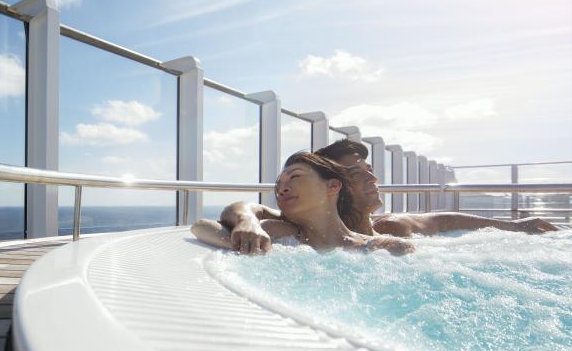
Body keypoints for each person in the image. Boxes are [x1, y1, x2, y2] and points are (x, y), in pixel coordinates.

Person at [192, 139, 558, 254]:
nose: (372, 178)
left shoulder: (390, 229)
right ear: (335, 186)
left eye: (369, 170)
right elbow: (243, 211)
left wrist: (515, 226)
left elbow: (445, 220)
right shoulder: (295, 229)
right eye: (356, 174)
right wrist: (246, 222)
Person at [259, 151, 411, 254]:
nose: (282, 189)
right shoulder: (269, 233)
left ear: (333, 186)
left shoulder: (386, 248)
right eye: (278, 185)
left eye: (295, 177)